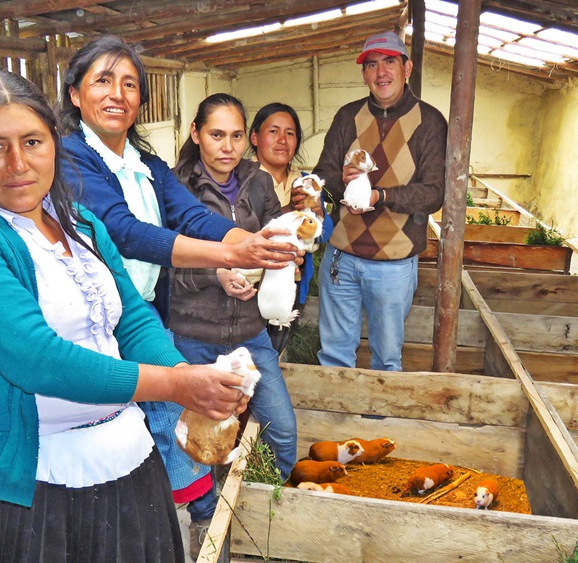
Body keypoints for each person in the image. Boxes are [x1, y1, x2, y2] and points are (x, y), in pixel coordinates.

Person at [0, 70, 249, 562]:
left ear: (55, 145)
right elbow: (38, 360)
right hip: (15, 495)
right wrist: (177, 387)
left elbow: (131, 318)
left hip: (124, 469)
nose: (18, 164)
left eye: (32, 142)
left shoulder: (80, 223)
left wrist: (183, 373)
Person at [56, 36, 301, 555]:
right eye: (102, 80)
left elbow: (190, 216)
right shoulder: (72, 159)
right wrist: (230, 257)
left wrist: (252, 243)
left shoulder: (146, 164)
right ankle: (178, 526)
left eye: (129, 83)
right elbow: (126, 232)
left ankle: (192, 526)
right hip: (93, 325)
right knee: (134, 433)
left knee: (166, 426)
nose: (117, 93)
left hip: (141, 314)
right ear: (75, 94)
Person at [172, 93, 299, 556]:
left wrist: (281, 257)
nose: (228, 147)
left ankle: (247, 514)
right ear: (196, 133)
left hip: (250, 335)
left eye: (237, 136)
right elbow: (162, 259)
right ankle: (209, 520)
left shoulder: (257, 181)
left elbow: (274, 237)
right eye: (216, 134)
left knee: (281, 433)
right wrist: (216, 272)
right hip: (193, 336)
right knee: (197, 447)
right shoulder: (175, 185)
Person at [312, 31, 447, 371]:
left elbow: (433, 192)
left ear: (407, 67)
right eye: (372, 65)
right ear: (364, 75)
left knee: (386, 359)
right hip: (341, 257)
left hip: (393, 262)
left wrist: (381, 196)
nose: (381, 73)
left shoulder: (429, 122)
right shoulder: (348, 116)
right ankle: (338, 420)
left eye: (390, 62)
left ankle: (378, 421)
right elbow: (322, 174)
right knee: (334, 355)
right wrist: (341, 186)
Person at [248, 102, 332, 353]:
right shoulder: (240, 179)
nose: (282, 140)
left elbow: (323, 235)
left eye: (290, 133)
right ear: (255, 137)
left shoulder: (305, 183)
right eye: (273, 131)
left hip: (290, 286)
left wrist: (317, 212)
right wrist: (290, 215)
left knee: (275, 351)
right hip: (248, 287)